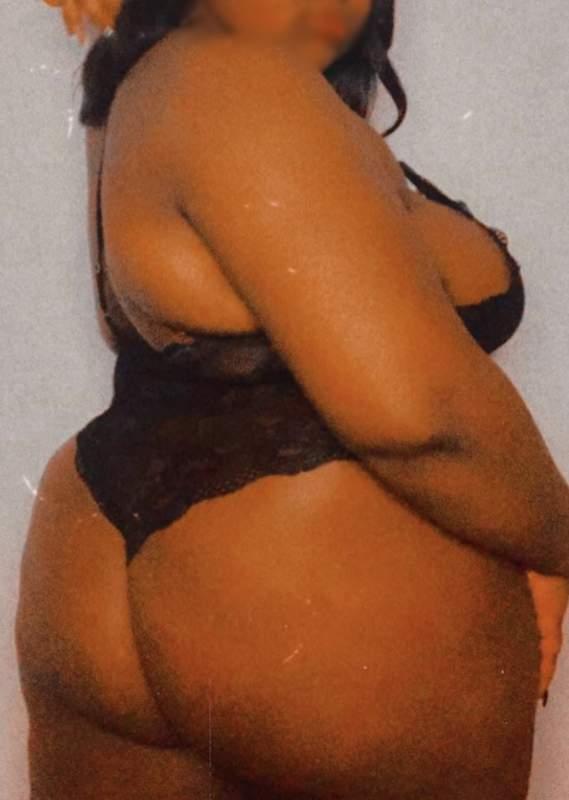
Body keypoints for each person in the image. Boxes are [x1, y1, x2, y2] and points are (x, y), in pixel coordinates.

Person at [16, 1, 569, 798]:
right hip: (303, 584)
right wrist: (557, 542)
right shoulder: (234, 74)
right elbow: (419, 416)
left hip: (91, 566)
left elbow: (141, 329)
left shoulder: (147, 87)